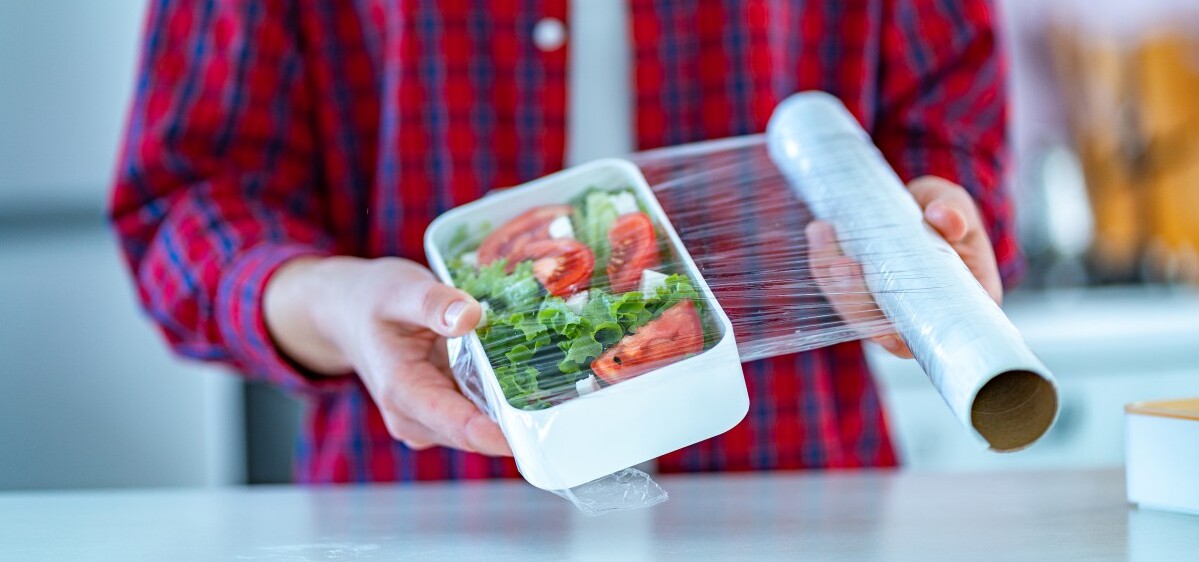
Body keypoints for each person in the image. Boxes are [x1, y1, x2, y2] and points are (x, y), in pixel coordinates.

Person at [110, 0, 1018, 483]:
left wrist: (931, 229)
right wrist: (329, 302)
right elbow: (190, 195)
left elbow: (949, 123)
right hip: (422, 506)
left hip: (794, 494)